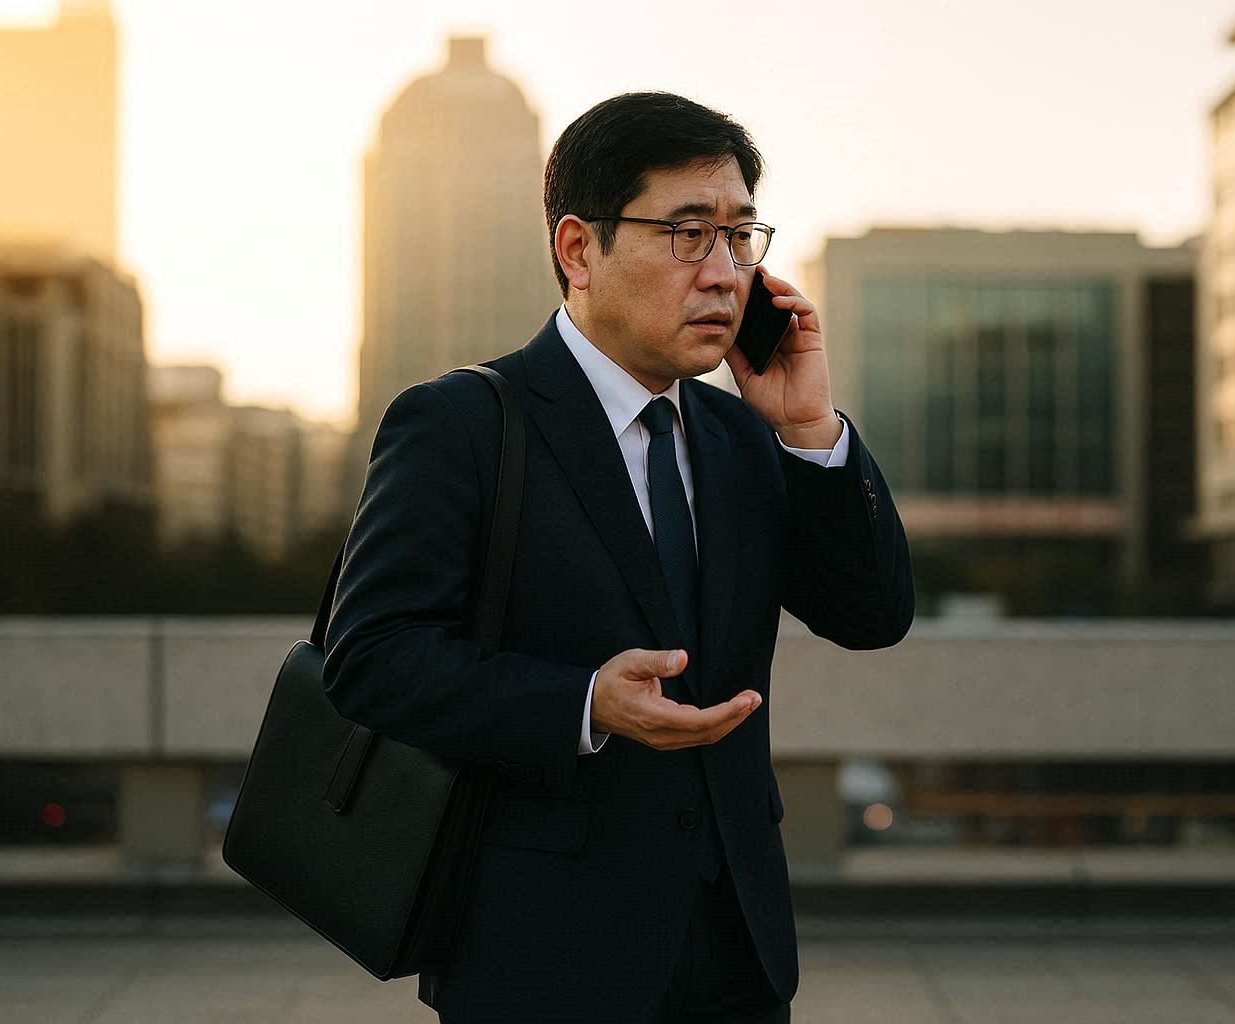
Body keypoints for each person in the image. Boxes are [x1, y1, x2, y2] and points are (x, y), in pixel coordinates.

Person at [323, 90, 914, 1023]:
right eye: (686, 235)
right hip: (541, 951)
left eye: (739, 237)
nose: (723, 273)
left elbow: (872, 616)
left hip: (736, 948)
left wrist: (811, 430)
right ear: (578, 249)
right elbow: (370, 659)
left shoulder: (745, 434)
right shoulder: (463, 424)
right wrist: (582, 703)